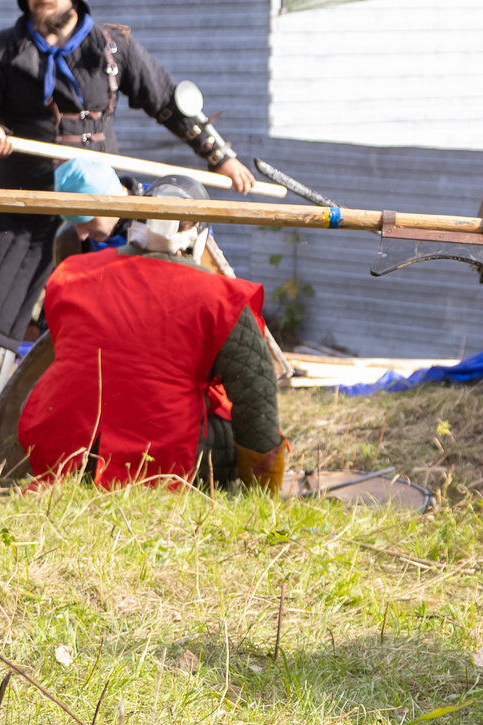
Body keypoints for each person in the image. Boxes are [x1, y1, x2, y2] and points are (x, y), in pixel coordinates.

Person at [0, 0, 256, 455]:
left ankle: (123, 413)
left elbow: (168, 100)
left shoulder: (113, 49)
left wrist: (218, 154)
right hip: (26, 197)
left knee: (126, 302)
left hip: (102, 205)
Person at [17, 175, 285, 491]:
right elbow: (256, 397)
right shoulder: (219, 298)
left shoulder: (73, 274)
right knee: (225, 428)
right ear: (198, 236)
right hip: (152, 461)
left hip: (62, 450)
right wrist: (264, 488)